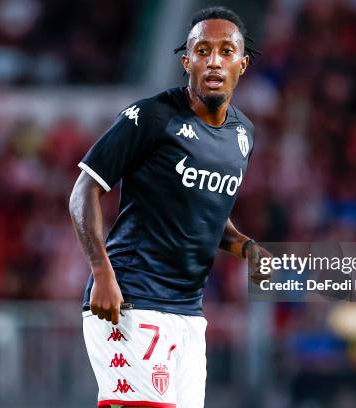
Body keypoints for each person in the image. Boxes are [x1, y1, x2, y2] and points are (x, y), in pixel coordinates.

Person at [69, 6, 270, 408]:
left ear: (242, 63)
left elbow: (206, 212)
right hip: (130, 299)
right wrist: (101, 273)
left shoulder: (242, 135)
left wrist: (247, 248)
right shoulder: (152, 116)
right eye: (203, 50)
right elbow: (83, 192)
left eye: (226, 51)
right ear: (187, 61)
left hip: (188, 314)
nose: (214, 60)